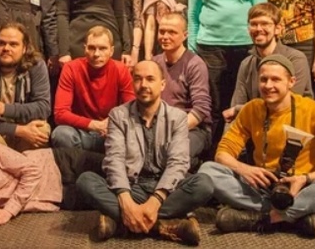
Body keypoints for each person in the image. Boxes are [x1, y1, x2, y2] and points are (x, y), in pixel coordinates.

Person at [199, 55, 315, 238]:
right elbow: (222, 153)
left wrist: (305, 178)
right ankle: (297, 216)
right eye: (263, 79)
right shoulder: (251, 109)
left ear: (291, 82)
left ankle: (263, 219)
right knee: (208, 171)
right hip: (261, 185)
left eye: (276, 79)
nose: (268, 85)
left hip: (301, 190)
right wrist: (245, 169)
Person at [76, 60, 214, 245]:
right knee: (85, 181)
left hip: (165, 188)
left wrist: (155, 201)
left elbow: (178, 163)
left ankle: (121, 223)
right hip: (132, 186)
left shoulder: (178, 118)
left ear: (162, 84)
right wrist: (126, 201)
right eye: (138, 79)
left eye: (150, 79)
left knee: (204, 184)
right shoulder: (118, 115)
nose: (143, 85)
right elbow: (114, 159)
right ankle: (160, 225)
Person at [188, 0, 266, 147]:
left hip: (245, 47)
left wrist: (261, 46)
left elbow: (261, 12)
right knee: (214, 104)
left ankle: (243, 150)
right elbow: (193, 14)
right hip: (209, 47)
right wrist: (192, 47)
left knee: (245, 102)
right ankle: (213, 153)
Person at [223, 3, 313, 123]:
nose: (258, 29)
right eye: (254, 24)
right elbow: (235, 111)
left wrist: (238, 109)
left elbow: (284, 106)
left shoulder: (296, 59)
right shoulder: (246, 64)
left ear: (278, 29)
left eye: (265, 24)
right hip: (256, 126)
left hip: (291, 126)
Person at [0, 22, 51, 151]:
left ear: (24, 48)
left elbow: (43, 107)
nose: (6, 48)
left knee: (41, 130)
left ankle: (28, 164)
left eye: (13, 44)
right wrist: (17, 130)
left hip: (23, 124)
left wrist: (4, 109)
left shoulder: (36, 66)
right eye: (1, 43)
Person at [52, 27, 135, 152]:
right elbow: (60, 114)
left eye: (102, 48)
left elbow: (131, 109)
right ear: (84, 48)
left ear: (111, 51)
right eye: (91, 48)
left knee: (133, 133)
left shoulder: (121, 70)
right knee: (61, 134)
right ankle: (78, 164)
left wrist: (112, 123)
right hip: (81, 131)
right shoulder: (71, 68)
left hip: (110, 132)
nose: (96, 54)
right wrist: (95, 125)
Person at [152, 13, 212, 162]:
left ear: (185, 35)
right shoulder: (155, 62)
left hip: (192, 128)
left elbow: (201, 110)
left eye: (172, 32)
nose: (165, 37)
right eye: (162, 31)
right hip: (159, 126)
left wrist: (170, 131)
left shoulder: (195, 64)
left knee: (173, 153)